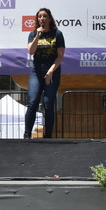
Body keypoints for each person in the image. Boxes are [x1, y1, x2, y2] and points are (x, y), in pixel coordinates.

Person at [24, 8, 65, 139]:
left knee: (48, 103)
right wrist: (37, 36)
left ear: (49, 19)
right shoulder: (33, 34)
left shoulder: (57, 34)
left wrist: (50, 71)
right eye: (40, 16)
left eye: (45, 16)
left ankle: (48, 136)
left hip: (52, 71)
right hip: (36, 71)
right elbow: (30, 52)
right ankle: (27, 134)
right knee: (33, 101)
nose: (42, 18)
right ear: (37, 19)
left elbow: (60, 56)